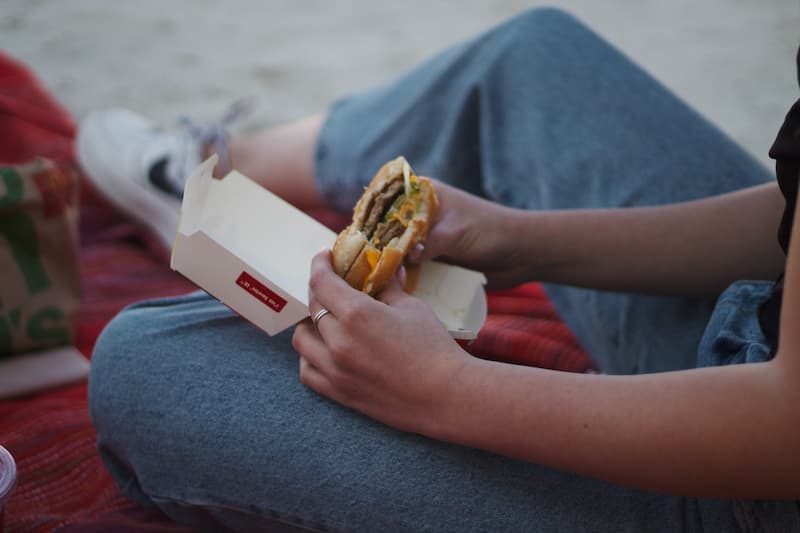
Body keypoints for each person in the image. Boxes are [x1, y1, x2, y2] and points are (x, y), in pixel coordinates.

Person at [81, 8, 799, 532]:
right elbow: (787, 218)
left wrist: (448, 390)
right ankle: (208, 174)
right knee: (530, 56)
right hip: (756, 329)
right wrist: (525, 238)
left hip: (740, 488)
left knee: (144, 365)